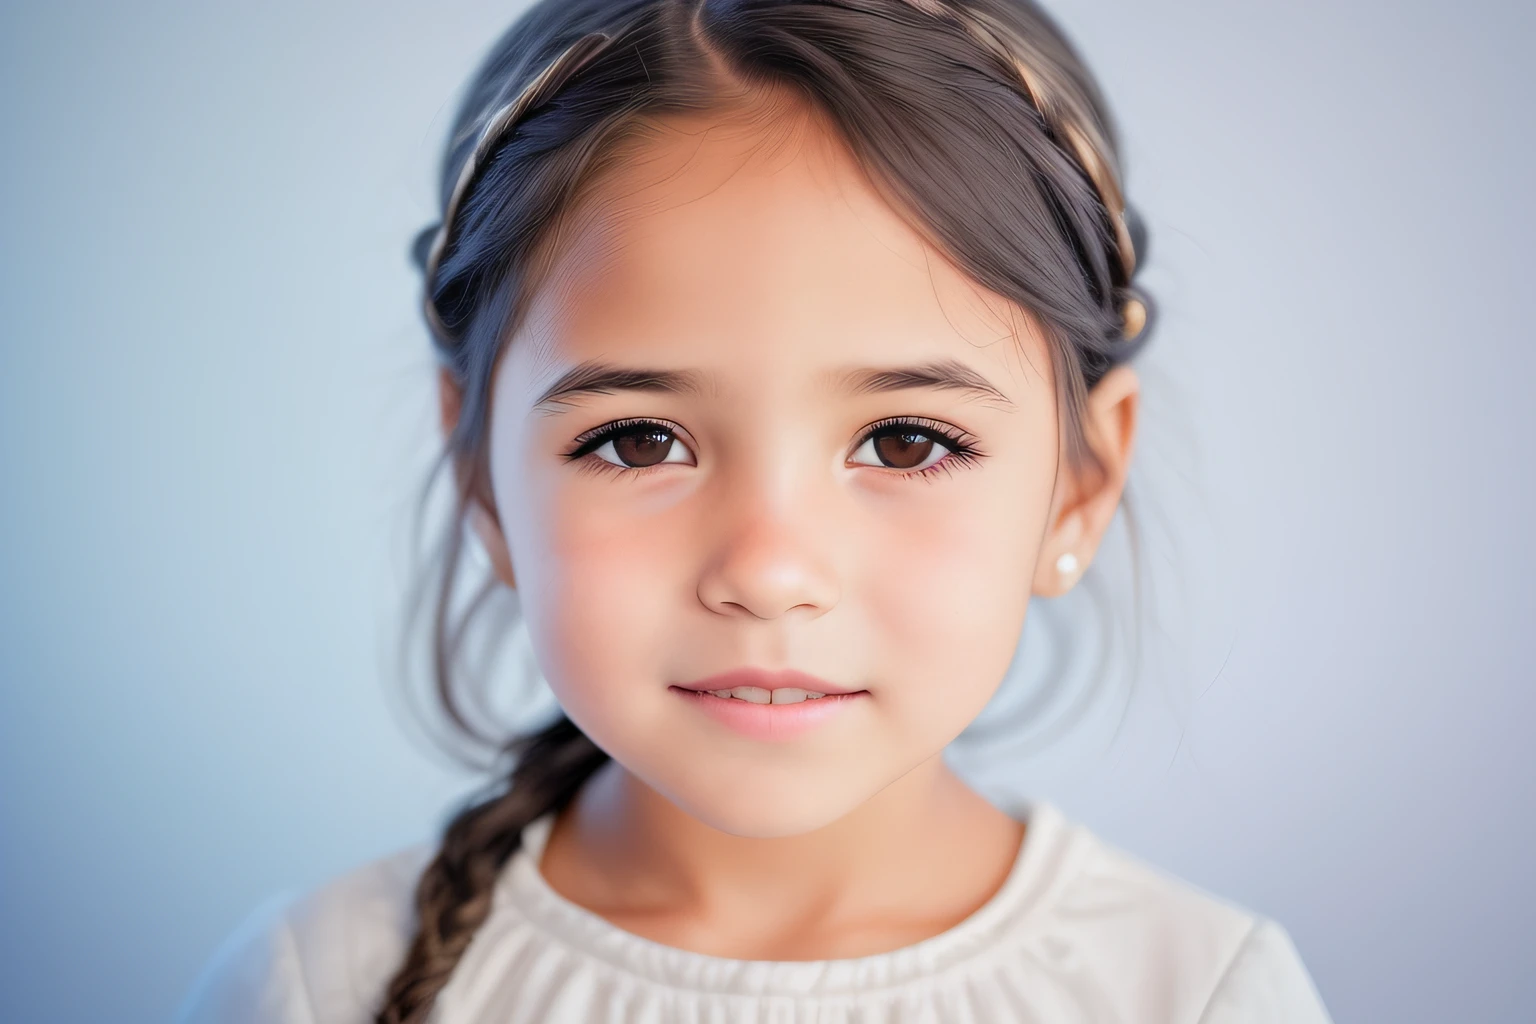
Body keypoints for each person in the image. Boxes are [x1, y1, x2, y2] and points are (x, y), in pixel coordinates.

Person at [178, 0, 1333, 1020]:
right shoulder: (318, 987)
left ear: (1080, 482)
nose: (769, 570)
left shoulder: (1194, 993)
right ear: (481, 472)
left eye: (905, 441)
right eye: (638, 440)